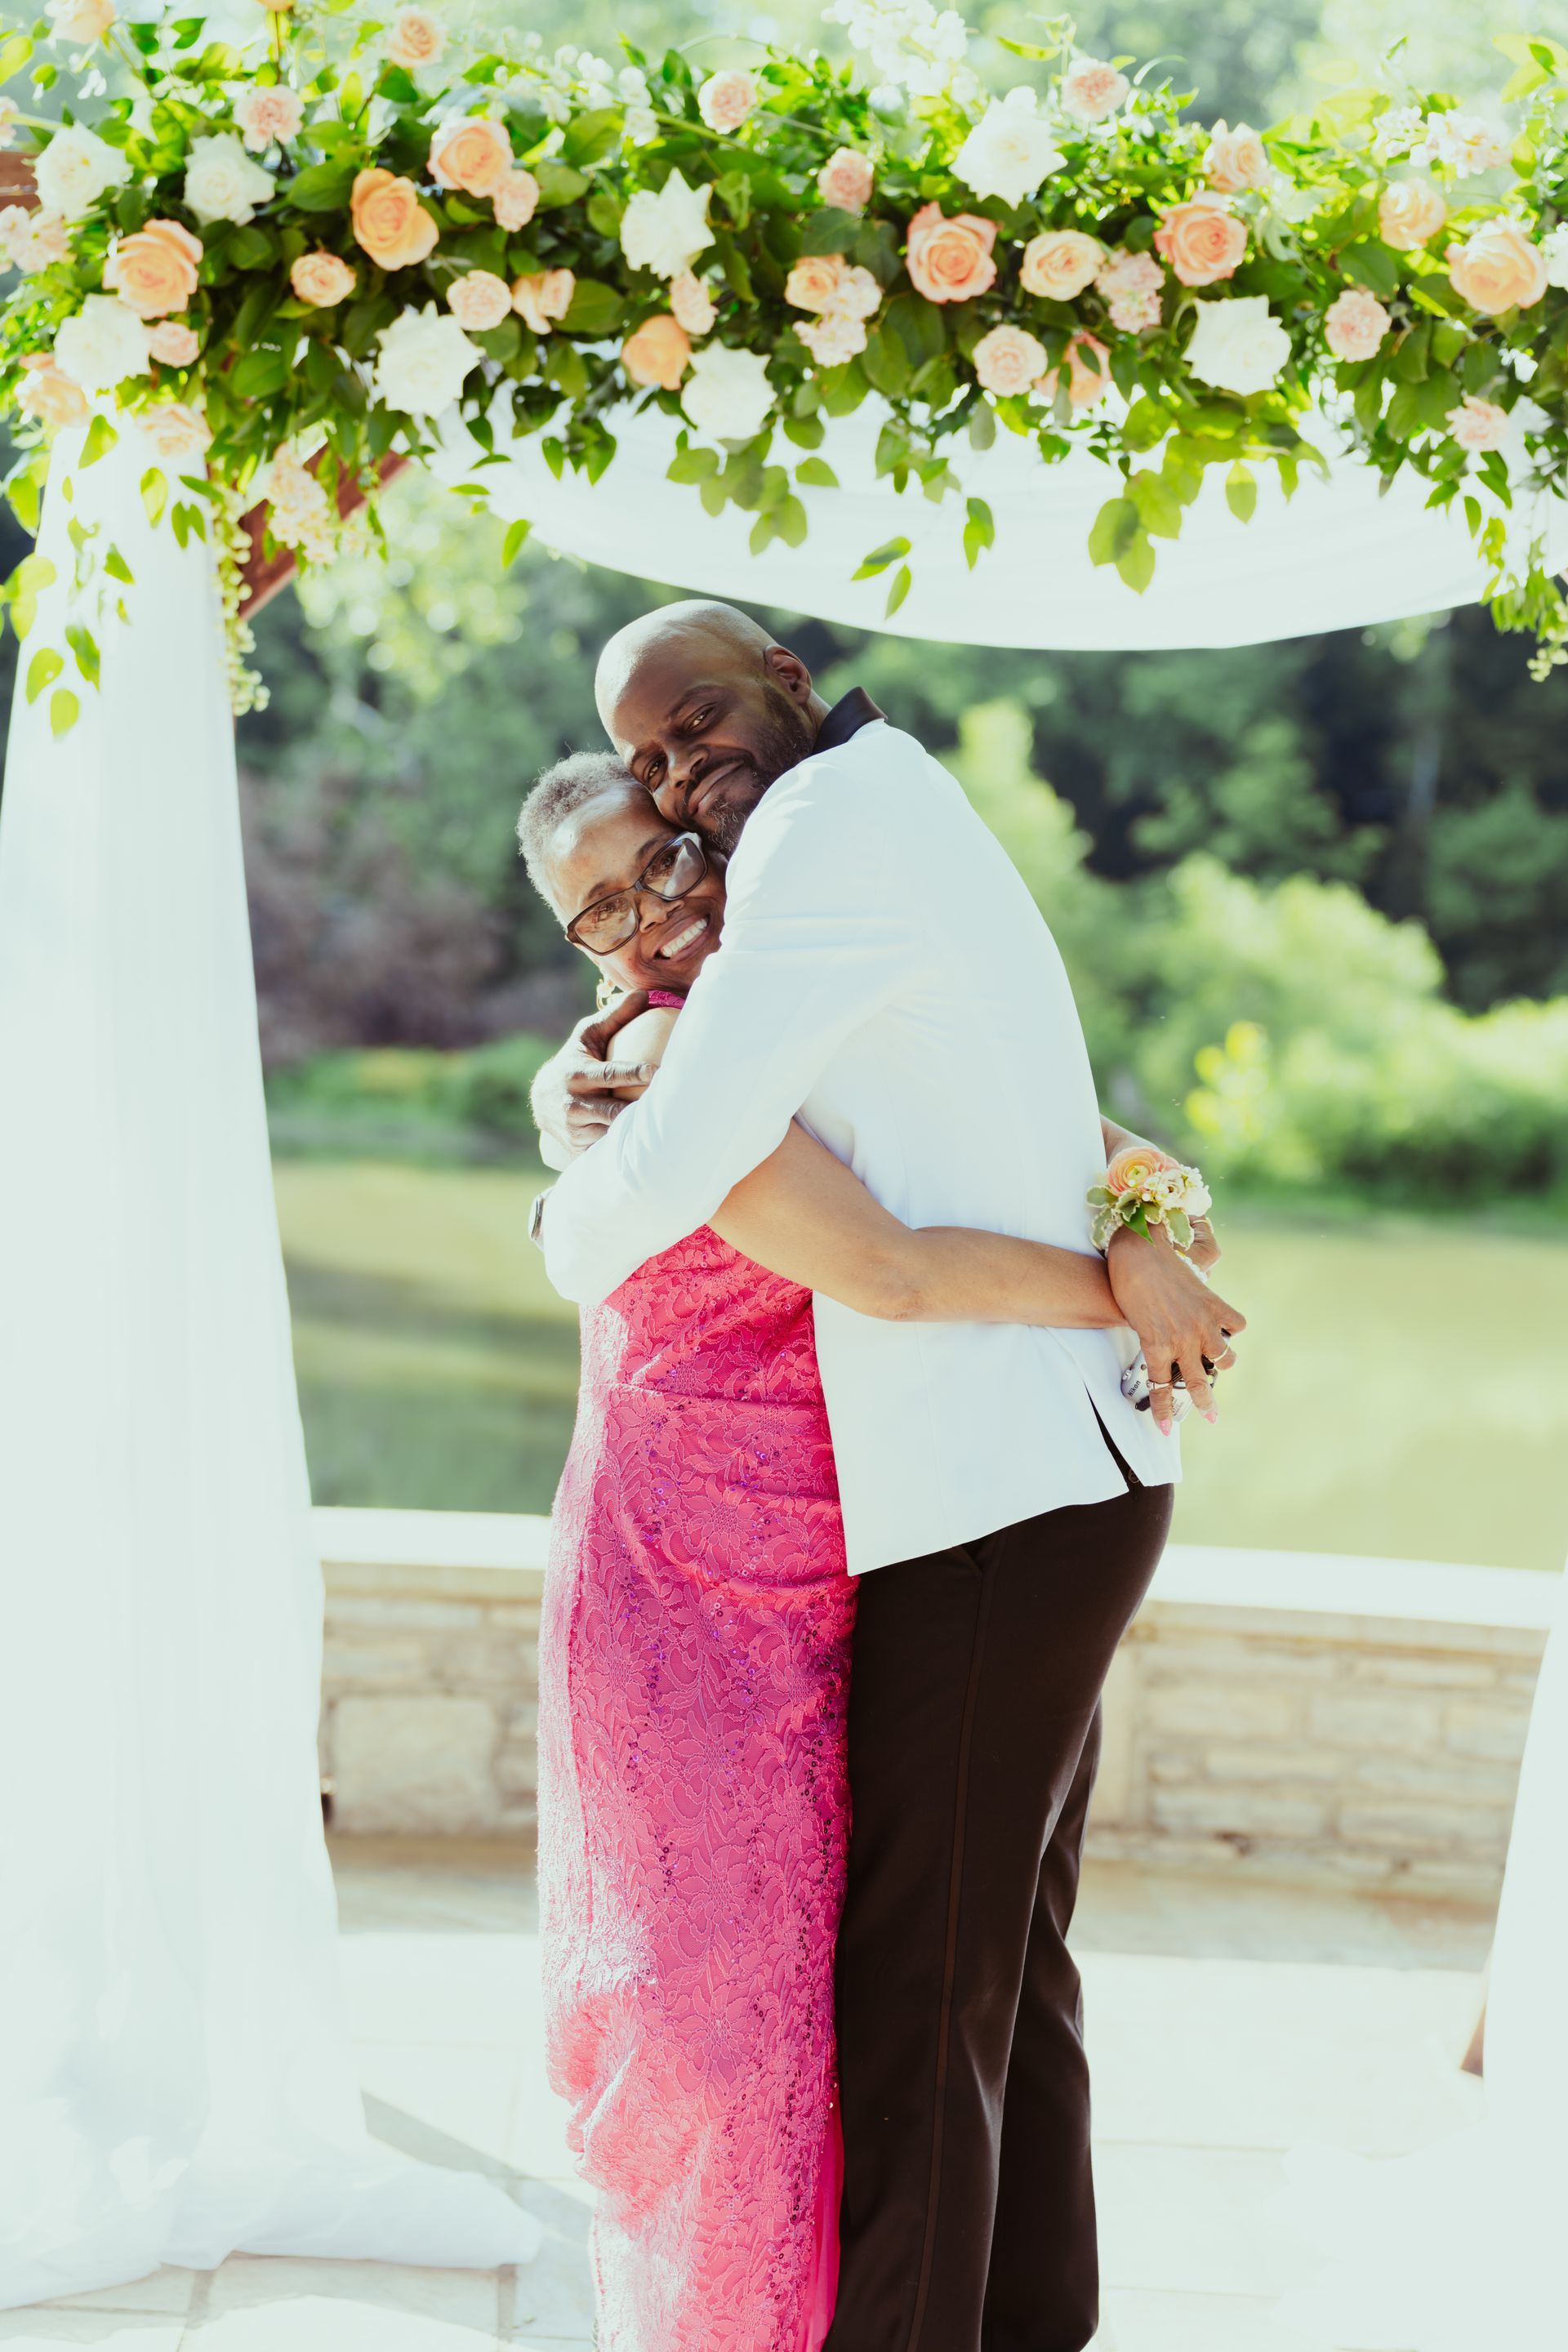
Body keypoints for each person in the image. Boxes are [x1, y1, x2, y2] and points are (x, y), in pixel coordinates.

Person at [528, 604, 1241, 2352]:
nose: (686, 784)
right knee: (1000, 1979)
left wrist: (562, 1207)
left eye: (695, 727)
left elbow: (763, 1198)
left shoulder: (826, 845)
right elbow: (1015, 1117)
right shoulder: (888, 801)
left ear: (781, 670)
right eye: (656, 772)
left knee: (920, 2002)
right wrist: (1141, 1238)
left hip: (995, 1495)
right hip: (1017, 1482)